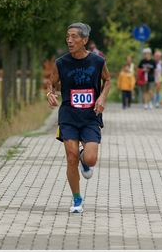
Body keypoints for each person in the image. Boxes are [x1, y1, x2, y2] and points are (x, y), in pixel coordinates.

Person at [46, 22, 111, 213]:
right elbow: (51, 82)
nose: (69, 40)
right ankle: (76, 200)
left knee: (90, 159)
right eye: (67, 36)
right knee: (71, 157)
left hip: (91, 116)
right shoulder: (61, 63)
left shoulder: (98, 61)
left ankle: (85, 159)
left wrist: (102, 97)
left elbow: (107, 80)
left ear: (85, 40)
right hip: (68, 115)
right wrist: (50, 94)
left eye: (74, 37)